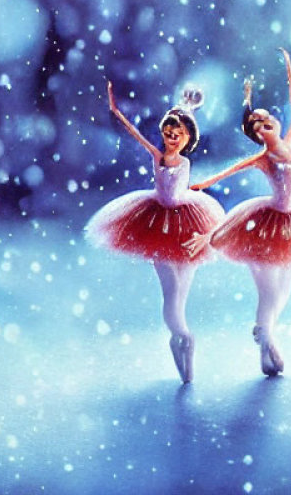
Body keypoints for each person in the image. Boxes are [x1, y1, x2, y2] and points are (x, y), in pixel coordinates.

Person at [184, 49, 291, 376]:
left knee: (285, 288)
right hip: (268, 220)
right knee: (269, 291)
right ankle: (267, 338)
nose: (268, 123)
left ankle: (264, 329)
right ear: (257, 134)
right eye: (261, 124)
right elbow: (227, 172)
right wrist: (198, 185)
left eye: (269, 119)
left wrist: (288, 70)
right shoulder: (262, 158)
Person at [86, 82, 224, 384]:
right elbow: (135, 134)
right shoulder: (157, 156)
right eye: (168, 133)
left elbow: (180, 129)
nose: (171, 138)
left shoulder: (185, 160)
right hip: (156, 223)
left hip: (188, 219)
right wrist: (115, 110)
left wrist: (188, 108)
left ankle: (181, 341)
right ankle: (181, 335)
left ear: (187, 139)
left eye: (178, 135)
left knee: (181, 292)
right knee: (171, 294)